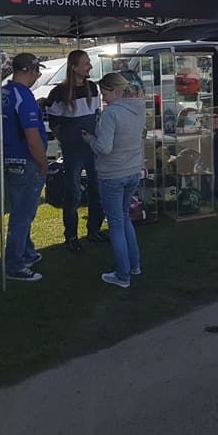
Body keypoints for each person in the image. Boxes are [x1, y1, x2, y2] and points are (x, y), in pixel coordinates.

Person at [83, 73, 146, 287]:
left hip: (112, 174)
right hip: (132, 172)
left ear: (115, 90)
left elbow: (104, 148)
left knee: (116, 225)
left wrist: (90, 139)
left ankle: (122, 275)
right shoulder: (138, 108)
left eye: (105, 93)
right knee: (124, 218)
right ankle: (134, 266)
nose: (103, 97)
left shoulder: (111, 114)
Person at [44, 50, 104, 253]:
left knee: (97, 189)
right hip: (73, 152)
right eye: (86, 63)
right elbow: (53, 122)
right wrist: (67, 140)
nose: (90, 67)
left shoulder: (93, 88)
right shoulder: (59, 92)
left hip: (92, 148)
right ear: (74, 67)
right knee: (73, 194)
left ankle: (94, 230)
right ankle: (71, 236)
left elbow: (97, 115)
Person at [1, 53, 49, 282]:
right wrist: (43, 162)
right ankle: (14, 264)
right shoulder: (23, 96)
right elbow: (32, 136)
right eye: (37, 72)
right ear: (29, 70)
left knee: (21, 210)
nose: (37, 76)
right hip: (25, 160)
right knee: (22, 215)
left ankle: (26, 252)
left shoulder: (4, 92)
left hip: (10, 158)